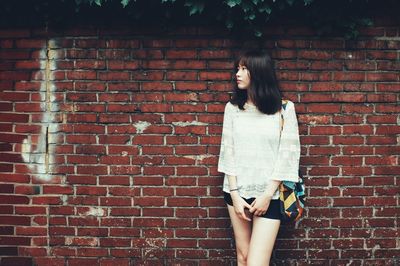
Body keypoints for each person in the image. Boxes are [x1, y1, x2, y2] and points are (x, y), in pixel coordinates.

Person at [218, 50, 301, 266]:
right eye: (238, 68)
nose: (238, 73)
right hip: (236, 191)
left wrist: (266, 195)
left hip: (270, 196)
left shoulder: (284, 109)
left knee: (256, 262)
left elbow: (288, 156)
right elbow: (229, 152)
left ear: (259, 72)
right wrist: (235, 195)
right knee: (243, 257)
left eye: (244, 69)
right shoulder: (233, 108)